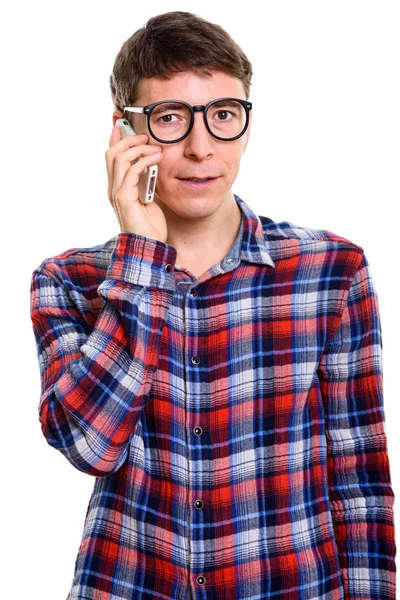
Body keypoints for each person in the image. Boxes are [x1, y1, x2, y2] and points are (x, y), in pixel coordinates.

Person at [29, 10, 396, 600]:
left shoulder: (333, 272)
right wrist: (141, 258)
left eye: (223, 115)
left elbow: (359, 483)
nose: (202, 149)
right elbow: (91, 446)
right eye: (171, 119)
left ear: (247, 125)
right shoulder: (69, 281)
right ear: (124, 132)